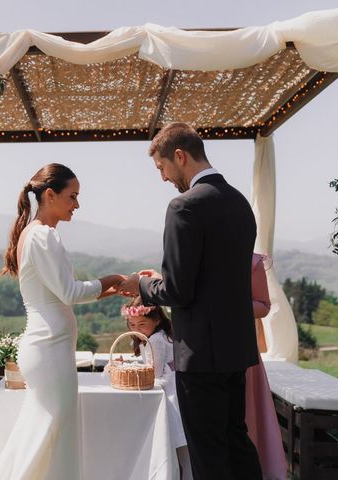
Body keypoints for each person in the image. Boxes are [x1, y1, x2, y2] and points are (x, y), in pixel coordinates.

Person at [118, 122, 262, 479]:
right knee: (237, 441)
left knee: (208, 454)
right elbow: (215, 279)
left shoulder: (184, 207)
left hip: (200, 354)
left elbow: (179, 292)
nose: (164, 178)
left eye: (162, 168)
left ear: (179, 156)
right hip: (235, 349)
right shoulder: (240, 202)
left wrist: (143, 284)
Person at [0, 163, 124, 480]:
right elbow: (70, 292)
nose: (77, 205)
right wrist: (112, 279)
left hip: (50, 349)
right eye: (72, 196)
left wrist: (109, 290)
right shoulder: (43, 236)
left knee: (46, 435)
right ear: (50, 195)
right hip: (48, 350)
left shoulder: (35, 235)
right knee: (48, 436)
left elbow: (62, 293)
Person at [123, 297, 192, 480]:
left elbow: (155, 376)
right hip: (177, 391)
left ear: (157, 320)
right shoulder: (155, 337)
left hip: (172, 396)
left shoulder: (156, 340)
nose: (137, 329)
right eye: (132, 324)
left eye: (142, 323)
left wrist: (134, 372)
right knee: (185, 453)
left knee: (183, 452)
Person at [245, 254, 288, 480]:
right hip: (202, 352)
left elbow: (263, 306)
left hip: (240, 350)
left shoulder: (252, 262)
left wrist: (227, 301)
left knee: (245, 416)